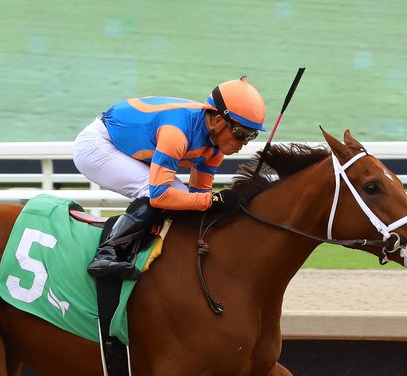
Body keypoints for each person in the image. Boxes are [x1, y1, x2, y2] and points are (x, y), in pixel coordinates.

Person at [72, 77, 266, 279]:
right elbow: (159, 196)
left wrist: (224, 207)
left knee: (183, 199)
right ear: (218, 121)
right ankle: (107, 254)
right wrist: (215, 199)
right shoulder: (176, 133)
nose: (244, 142)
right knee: (160, 193)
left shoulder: (215, 148)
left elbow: (199, 196)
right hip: (96, 146)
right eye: (241, 133)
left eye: (252, 135)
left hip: (124, 148)